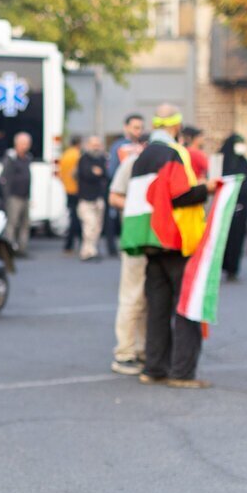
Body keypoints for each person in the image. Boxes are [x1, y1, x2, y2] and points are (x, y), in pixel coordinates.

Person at [121, 103, 215, 389]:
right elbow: (179, 195)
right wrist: (207, 188)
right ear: (176, 127)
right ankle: (182, 373)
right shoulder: (174, 153)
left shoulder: (142, 157)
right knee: (186, 307)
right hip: (175, 240)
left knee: (158, 310)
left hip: (149, 242)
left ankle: (154, 369)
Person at [108, 140, 146, 375]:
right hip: (136, 237)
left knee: (148, 298)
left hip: (157, 242)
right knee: (132, 296)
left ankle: (142, 349)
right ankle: (125, 352)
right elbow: (114, 197)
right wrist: (143, 208)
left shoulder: (171, 161)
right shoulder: (133, 163)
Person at [216, 135, 247, 281]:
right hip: (224, 205)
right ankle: (221, 266)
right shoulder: (221, 161)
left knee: (238, 237)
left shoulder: (243, 162)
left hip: (242, 204)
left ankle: (233, 269)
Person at [75, 136, 108, 262]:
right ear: (88, 145)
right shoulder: (83, 159)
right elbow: (87, 174)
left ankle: (92, 249)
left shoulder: (101, 159)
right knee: (89, 225)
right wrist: (95, 172)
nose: (96, 147)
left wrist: (98, 172)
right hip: (86, 199)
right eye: (93, 145)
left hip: (98, 198)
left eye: (98, 145)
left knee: (97, 227)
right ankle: (87, 252)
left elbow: (105, 173)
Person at [1, 131, 33, 256]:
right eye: (23, 143)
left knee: (25, 224)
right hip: (14, 196)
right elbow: (5, 179)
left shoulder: (27, 158)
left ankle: (22, 249)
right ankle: (9, 250)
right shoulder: (11, 159)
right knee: (12, 223)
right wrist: (6, 197)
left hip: (25, 196)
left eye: (27, 143)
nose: (26, 146)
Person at [58, 135, 81, 252]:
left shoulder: (65, 155)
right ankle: (72, 243)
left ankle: (70, 244)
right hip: (76, 190)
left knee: (73, 216)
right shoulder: (77, 155)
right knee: (76, 218)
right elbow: (77, 173)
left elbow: (60, 173)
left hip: (67, 189)